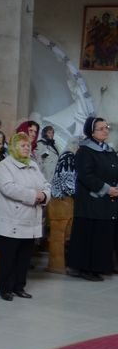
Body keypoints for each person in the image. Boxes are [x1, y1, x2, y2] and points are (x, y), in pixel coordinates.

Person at [0, 133, 51, 301]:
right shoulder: (5, 166)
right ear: (14, 147)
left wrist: (44, 195)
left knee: (24, 257)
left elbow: (46, 184)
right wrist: (34, 195)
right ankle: (5, 288)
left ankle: (19, 286)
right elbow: (8, 188)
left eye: (28, 145)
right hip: (12, 219)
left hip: (30, 219)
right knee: (8, 257)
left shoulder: (33, 165)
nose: (26, 148)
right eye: (22, 145)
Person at [67, 117, 118, 281]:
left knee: (102, 236)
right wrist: (107, 189)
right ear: (91, 132)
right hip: (90, 201)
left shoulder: (109, 151)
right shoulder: (85, 151)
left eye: (106, 127)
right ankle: (85, 268)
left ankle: (100, 267)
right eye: (101, 128)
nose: (105, 131)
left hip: (107, 201)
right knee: (90, 236)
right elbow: (85, 176)